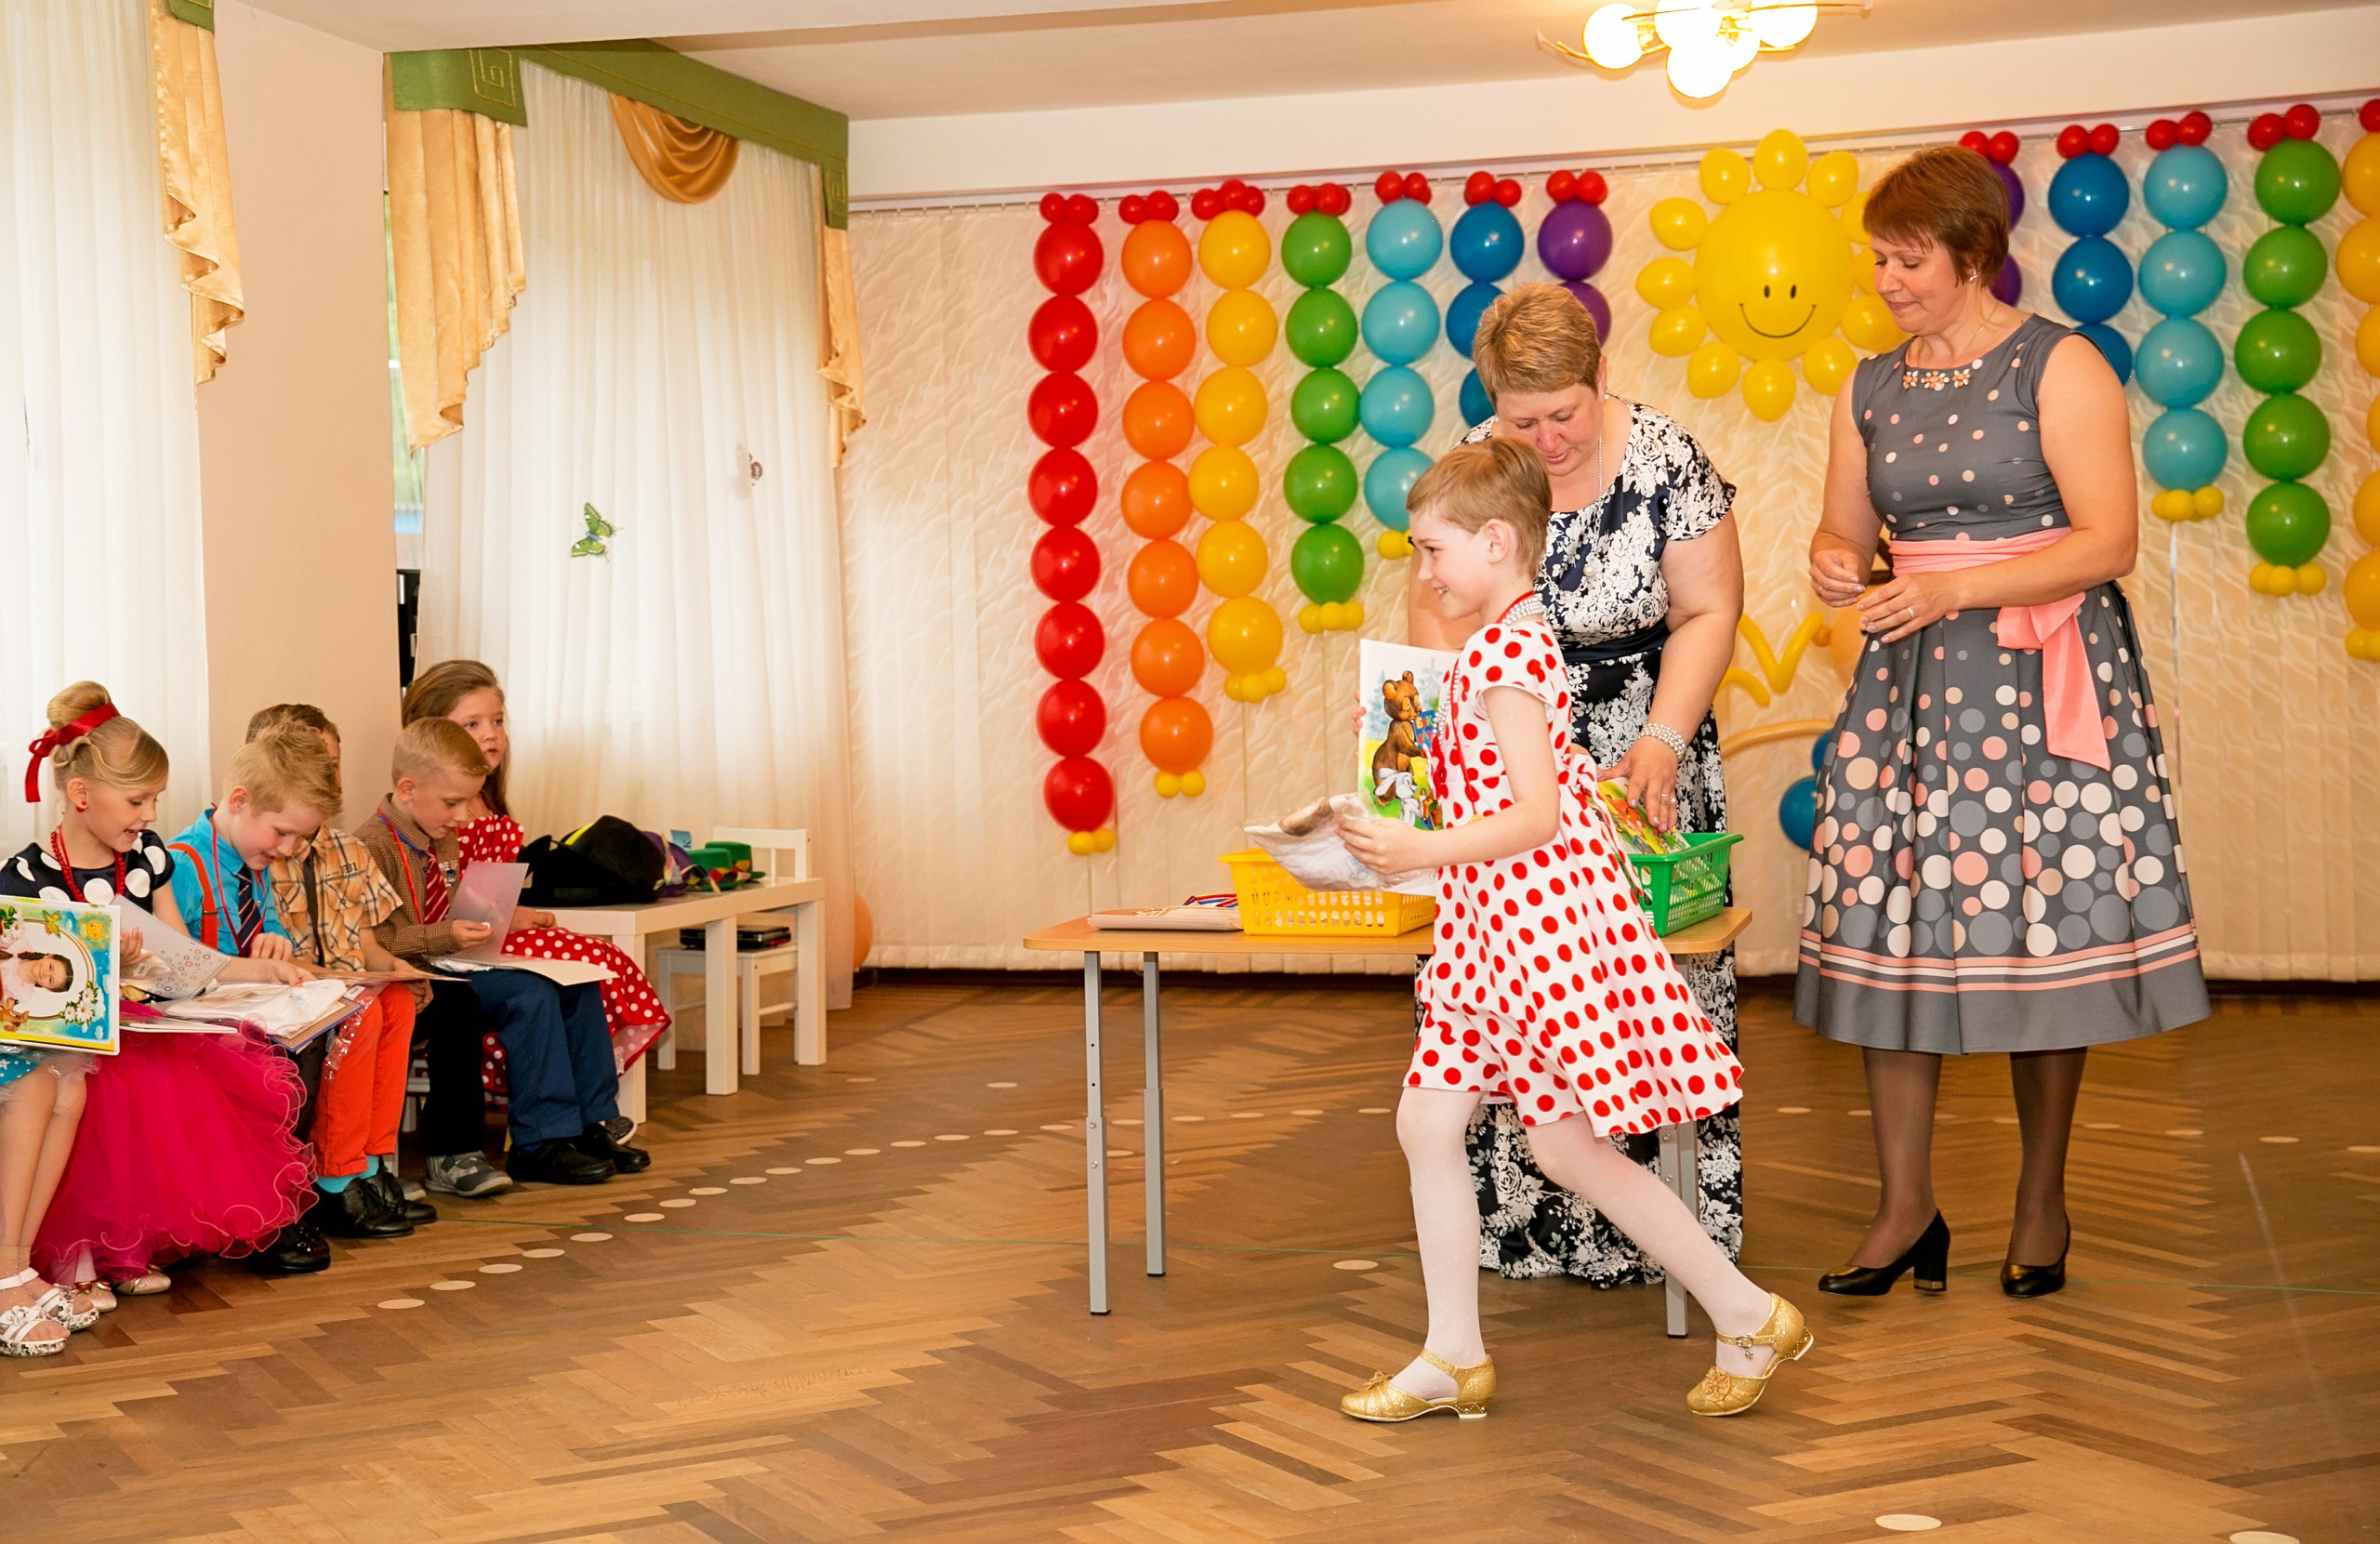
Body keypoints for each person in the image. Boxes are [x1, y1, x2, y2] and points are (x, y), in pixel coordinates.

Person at [1800, 147, 2210, 1300]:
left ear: (1975, 255)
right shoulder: (1866, 385)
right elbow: (1841, 532)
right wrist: (1838, 565)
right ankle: (1903, 1207)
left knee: (2042, 931)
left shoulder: (2059, 363)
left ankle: (2041, 1198)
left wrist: (1952, 588)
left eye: (1907, 258)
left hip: (2041, 685)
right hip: (1906, 693)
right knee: (1895, 937)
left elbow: (2106, 542)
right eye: (1876, 258)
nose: (1885, 279)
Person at [1338, 441, 1802, 1421]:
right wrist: (1402, 810)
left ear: (1495, 541)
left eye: (1431, 551)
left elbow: (1535, 816)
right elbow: (1500, 792)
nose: (1423, 573)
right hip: (1487, 927)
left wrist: (1416, 841)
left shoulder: (1506, 652)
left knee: (1565, 1148)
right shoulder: (1493, 644)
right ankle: (1452, 1352)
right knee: (1438, 1124)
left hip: (1529, 930)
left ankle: (1744, 1309)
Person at [1414, 282, 1747, 1287]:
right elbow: (1434, 618)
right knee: (1516, 998)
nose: (1548, 438)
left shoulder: (1666, 459)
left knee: (1638, 994)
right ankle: (1523, 1237)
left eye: (1564, 414)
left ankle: (1678, 1252)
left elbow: (1708, 611)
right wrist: (1427, 763)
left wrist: (1659, 738)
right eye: (1525, 421)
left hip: (1643, 743)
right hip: (1508, 763)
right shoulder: (1481, 470)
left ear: (1602, 378)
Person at [6, 683, 318, 1293]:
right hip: (72, 1037)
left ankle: (126, 1246)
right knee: (106, 1084)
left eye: (155, 800)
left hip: (146, 1020)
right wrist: (103, 965)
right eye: (137, 800)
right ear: (80, 794)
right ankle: (76, 1256)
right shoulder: (28, 876)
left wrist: (266, 970)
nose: (150, 816)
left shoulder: (148, 856)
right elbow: (29, 993)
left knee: (176, 1075)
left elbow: (184, 960)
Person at [357, 719, 647, 1186]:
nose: (459, 816)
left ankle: (590, 1123)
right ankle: (538, 1142)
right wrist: (449, 933)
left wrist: (495, 917)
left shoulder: (439, 831)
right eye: (452, 803)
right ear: (407, 789)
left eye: (465, 803)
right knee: (530, 995)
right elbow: (381, 940)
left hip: (457, 963)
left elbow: (446, 905)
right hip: (423, 974)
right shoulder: (372, 845)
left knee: (577, 979)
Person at [401, 660, 671, 1080]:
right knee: (591, 957)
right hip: (458, 950)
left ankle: (587, 1099)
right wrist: (506, 919)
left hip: (485, 937)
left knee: (594, 962)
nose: (490, 733)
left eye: (497, 721)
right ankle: (572, 1092)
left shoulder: (486, 801)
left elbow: (484, 896)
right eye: (471, 724)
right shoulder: (435, 813)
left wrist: (514, 915)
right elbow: (444, 906)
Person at [231, 708, 437, 1237]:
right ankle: (337, 1173)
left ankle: (372, 1159)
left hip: (346, 983)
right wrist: (344, 981)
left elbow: (368, 943)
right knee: (366, 1006)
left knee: (394, 1002)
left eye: (332, 765)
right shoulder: (263, 851)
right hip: (306, 991)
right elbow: (273, 953)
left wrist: (395, 969)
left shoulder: (349, 848)